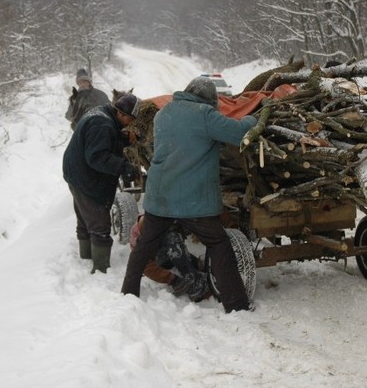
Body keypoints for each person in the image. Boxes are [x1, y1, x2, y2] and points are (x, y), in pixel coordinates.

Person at [121, 77, 258, 312]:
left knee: (144, 246)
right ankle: (236, 305)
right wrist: (253, 117)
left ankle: (127, 293)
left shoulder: (164, 113)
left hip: (160, 195)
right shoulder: (204, 114)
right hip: (193, 200)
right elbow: (238, 133)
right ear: (208, 99)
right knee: (218, 243)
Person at [63, 93, 141, 273]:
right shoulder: (102, 124)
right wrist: (124, 167)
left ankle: (85, 256)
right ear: (121, 113)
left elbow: (101, 141)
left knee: (84, 218)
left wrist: (122, 139)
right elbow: (97, 156)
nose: (130, 123)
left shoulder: (102, 113)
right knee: (99, 224)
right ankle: (100, 271)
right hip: (85, 178)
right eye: (130, 119)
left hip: (75, 172)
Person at [129, 214, 210, 302]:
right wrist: (171, 279)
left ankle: (194, 269)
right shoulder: (140, 237)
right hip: (159, 258)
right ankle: (194, 286)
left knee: (176, 243)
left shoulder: (170, 216)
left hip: (166, 244)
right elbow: (146, 266)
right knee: (172, 240)